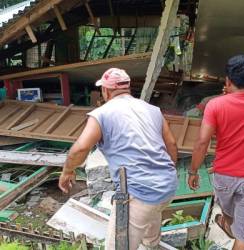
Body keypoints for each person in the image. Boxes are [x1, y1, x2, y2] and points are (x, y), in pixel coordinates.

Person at [58, 68, 178, 250]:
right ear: (127, 88)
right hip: (167, 187)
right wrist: (163, 174)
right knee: (150, 223)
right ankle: (150, 244)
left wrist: (68, 170)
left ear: (105, 91)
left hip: (139, 192)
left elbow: (80, 148)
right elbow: (172, 144)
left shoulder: (102, 113)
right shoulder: (153, 110)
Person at [188, 55, 244, 250]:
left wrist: (193, 171)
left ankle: (229, 224)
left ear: (227, 80)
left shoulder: (215, 104)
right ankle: (235, 230)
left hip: (224, 176)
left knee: (228, 210)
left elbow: (202, 141)